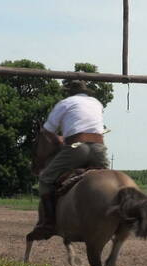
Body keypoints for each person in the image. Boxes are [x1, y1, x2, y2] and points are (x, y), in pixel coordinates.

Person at [35, 80, 110, 235]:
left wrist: (59, 139)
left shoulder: (64, 103)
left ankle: (48, 223)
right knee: (107, 182)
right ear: (86, 91)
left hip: (77, 148)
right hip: (98, 148)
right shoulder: (97, 103)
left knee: (45, 179)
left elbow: (47, 131)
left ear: (69, 92)